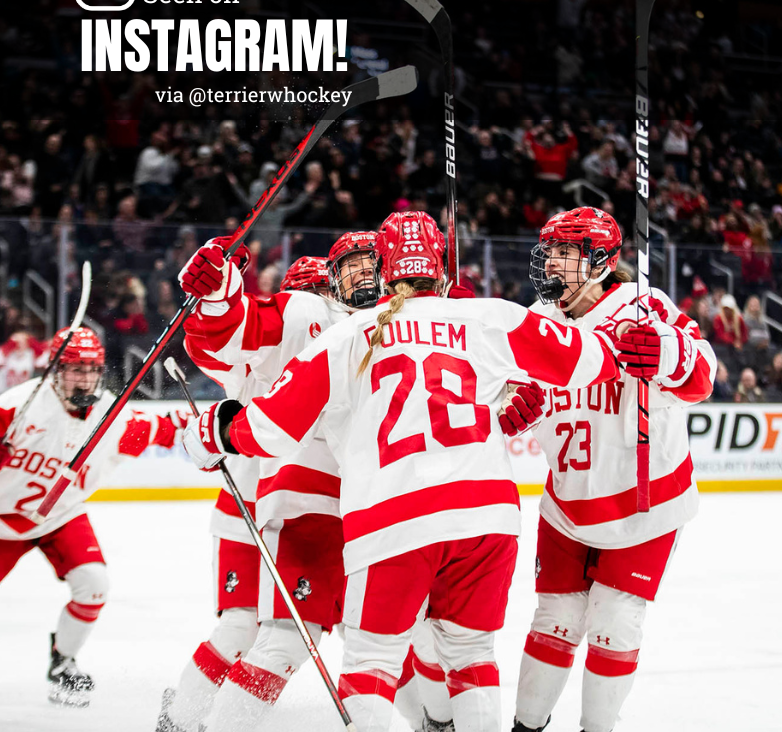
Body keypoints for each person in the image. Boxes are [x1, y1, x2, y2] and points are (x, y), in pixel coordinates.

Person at [181, 210, 621, 732]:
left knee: (370, 669)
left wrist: (214, 432)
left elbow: (268, 429)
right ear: (440, 265)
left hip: (391, 517)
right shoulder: (484, 315)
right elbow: (597, 360)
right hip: (487, 517)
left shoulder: (351, 334)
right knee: (472, 656)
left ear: (387, 267)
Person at [505, 207, 716, 732]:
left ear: (601, 260)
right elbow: (503, 406)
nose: (551, 262)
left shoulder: (646, 309)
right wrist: (511, 409)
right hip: (566, 504)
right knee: (554, 622)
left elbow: (703, 374)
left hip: (645, 503)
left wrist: (667, 354)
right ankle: (526, 726)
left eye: (565, 253)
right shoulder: (538, 321)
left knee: (614, 624)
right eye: (549, 251)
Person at [157, 236, 380, 732]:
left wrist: (220, 300)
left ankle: (186, 717)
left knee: (313, 627)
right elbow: (215, 342)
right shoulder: (290, 326)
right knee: (255, 628)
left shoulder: (338, 332)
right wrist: (220, 298)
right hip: (264, 506)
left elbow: (218, 341)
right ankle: (181, 718)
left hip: (290, 500)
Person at [0, 328, 187, 707]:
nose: (84, 377)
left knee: (93, 582)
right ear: (55, 369)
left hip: (60, 517)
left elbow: (157, 430)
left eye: (91, 369)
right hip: (2, 522)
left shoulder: (108, 415)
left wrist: (214, 428)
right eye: (74, 369)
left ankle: (63, 660)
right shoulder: (18, 406)